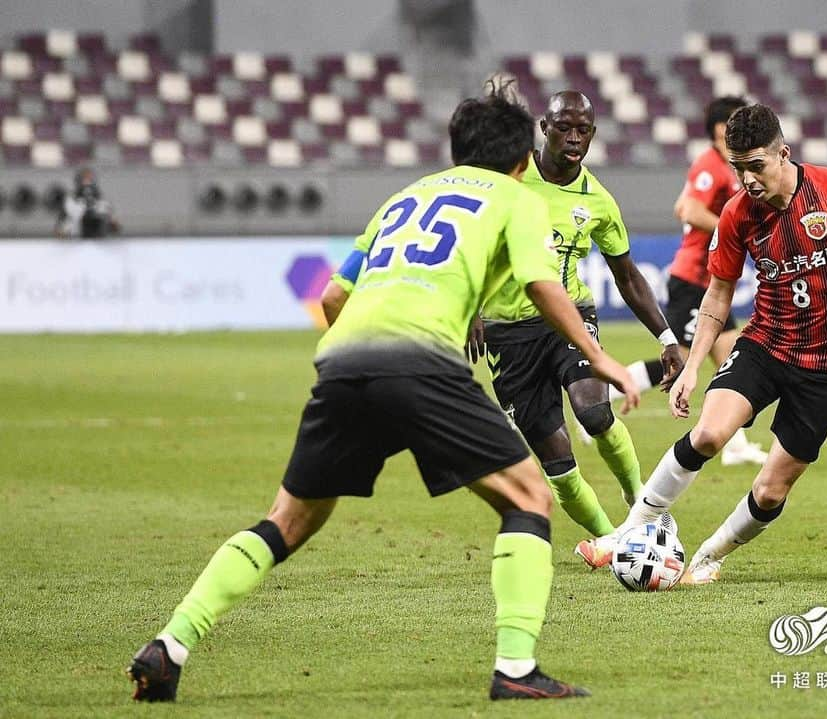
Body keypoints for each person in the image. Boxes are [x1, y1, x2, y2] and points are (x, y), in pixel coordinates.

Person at [126, 87, 640, 703]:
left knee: (286, 521)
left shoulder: (405, 196)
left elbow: (333, 298)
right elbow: (539, 284)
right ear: (522, 157)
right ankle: (516, 669)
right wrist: (603, 357)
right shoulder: (519, 198)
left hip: (343, 363)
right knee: (529, 496)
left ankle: (170, 645)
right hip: (422, 364)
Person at [576, 104, 827, 580]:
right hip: (766, 345)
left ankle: (709, 556)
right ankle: (630, 531)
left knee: (772, 490)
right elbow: (718, 295)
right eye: (738, 168)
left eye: (756, 166)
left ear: (783, 153)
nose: (747, 179)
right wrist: (690, 368)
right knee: (708, 434)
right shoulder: (737, 215)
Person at [474, 90, 682, 554]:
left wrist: (666, 337)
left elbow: (626, 276)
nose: (573, 138)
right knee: (559, 463)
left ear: (592, 135)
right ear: (543, 129)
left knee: (594, 410)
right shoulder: (509, 179)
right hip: (509, 331)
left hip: (569, 316)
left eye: (582, 130)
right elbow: (474, 245)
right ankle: (612, 541)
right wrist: (471, 308)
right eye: (563, 127)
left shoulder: (599, 202)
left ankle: (642, 505)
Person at [611, 96, 767, 467]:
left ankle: (735, 443)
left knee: (730, 357)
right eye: (731, 121)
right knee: (679, 360)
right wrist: (733, 232)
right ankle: (603, 393)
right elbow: (687, 208)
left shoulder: (725, 165)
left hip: (709, 279)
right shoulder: (710, 164)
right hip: (694, 279)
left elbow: (684, 200)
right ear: (717, 128)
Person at [55, 167, 120, 239]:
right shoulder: (69, 202)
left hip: (99, 241)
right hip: (76, 241)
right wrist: (63, 231)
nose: (87, 183)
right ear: (78, 180)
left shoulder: (103, 202)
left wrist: (111, 224)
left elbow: (115, 226)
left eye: (90, 179)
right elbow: (59, 229)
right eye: (85, 179)